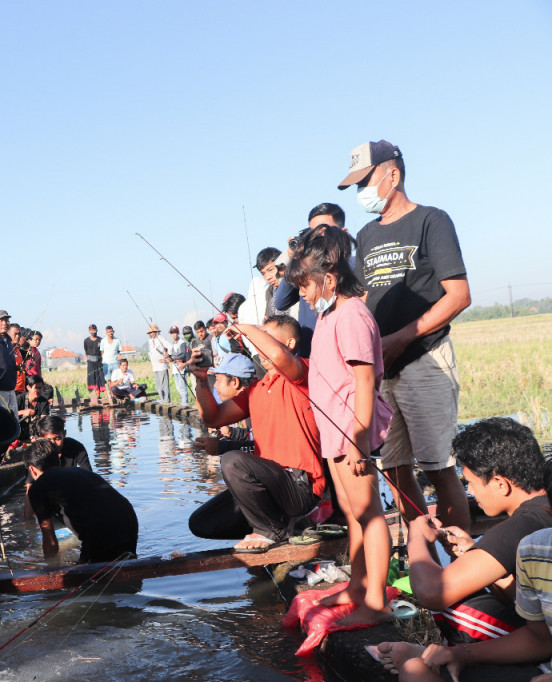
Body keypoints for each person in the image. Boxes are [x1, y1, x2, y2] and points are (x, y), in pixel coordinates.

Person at [340, 139, 472, 533]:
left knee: (440, 469)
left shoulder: (432, 220)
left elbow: (459, 295)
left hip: (424, 359)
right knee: (396, 472)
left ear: (392, 174)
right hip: (381, 370)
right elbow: (362, 299)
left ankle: (463, 567)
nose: (362, 193)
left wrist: (400, 339)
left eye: (366, 182)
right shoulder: (365, 235)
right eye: (356, 186)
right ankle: (424, 564)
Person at [286, 225, 394, 626]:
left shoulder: (351, 315)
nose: (303, 294)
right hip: (336, 435)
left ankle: (377, 602)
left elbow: (365, 381)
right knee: (351, 513)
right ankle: (358, 585)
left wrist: (359, 440)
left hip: (353, 435)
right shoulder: (330, 315)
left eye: (306, 286)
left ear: (329, 279)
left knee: (369, 514)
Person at [373, 419, 552, 654]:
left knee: (454, 607)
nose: (470, 491)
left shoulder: (522, 525)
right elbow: (528, 595)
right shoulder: (542, 509)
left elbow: (432, 594)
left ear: (500, 484)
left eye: (471, 483)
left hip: (544, 643)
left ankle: (461, 661)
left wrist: (416, 538)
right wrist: (476, 553)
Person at [188, 317, 324, 551]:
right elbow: (213, 418)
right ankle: (277, 524)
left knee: (232, 461)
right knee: (202, 522)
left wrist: (246, 329)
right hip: (270, 485)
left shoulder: (304, 372)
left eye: (267, 338)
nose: (259, 347)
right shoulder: (256, 389)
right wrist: (201, 380)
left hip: (300, 485)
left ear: (289, 343)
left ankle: (270, 530)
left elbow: (281, 358)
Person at [25, 439, 138, 563]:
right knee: (126, 563)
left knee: (88, 577)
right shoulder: (80, 471)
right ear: (57, 459)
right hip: (129, 518)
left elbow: (49, 536)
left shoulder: (38, 487)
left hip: (99, 528)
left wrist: (50, 569)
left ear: (32, 469)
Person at [274, 203, 347, 357]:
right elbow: (281, 302)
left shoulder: (355, 266)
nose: (319, 239)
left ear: (343, 233)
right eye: (313, 234)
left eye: (325, 232)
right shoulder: (305, 268)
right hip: (310, 356)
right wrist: (297, 257)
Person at [192, 353, 256, 455]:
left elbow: (262, 448)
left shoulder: (256, 405)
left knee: (230, 461)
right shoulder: (249, 402)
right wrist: (231, 432)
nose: (215, 385)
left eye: (218, 379)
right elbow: (252, 436)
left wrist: (221, 447)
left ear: (235, 381)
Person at [17, 375, 51, 439]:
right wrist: (22, 412)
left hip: (36, 436)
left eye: (40, 388)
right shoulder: (19, 399)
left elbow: (44, 420)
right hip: (19, 435)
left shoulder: (44, 401)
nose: (38, 390)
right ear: (28, 387)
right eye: (36, 388)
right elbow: (10, 414)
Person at [145, 323, 171, 402]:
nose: (152, 334)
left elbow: (169, 346)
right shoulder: (150, 341)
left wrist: (167, 357)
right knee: (158, 386)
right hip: (155, 367)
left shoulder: (160, 338)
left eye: (153, 332)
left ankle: (166, 401)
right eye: (151, 333)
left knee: (164, 385)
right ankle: (162, 400)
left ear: (156, 332)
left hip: (162, 366)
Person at [83, 324, 106, 407]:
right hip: (90, 361)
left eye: (94, 330)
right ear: (89, 331)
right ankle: (93, 395)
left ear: (97, 330)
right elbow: (86, 351)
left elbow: (103, 351)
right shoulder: (86, 341)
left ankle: (99, 393)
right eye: (91, 330)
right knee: (91, 377)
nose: (93, 331)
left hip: (99, 361)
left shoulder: (101, 340)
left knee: (100, 377)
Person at [167, 325, 190, 405]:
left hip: (181, 368)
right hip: (175, 369)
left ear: (178, 333)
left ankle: (185, 405)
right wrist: (169, 358)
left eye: (174, 333)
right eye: (171, 333)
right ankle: (183, 403)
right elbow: (173, 355)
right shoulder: (173, 344)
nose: (173, 335)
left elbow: (183, 354)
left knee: (183, 388)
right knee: (178, 388)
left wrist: (173, 358)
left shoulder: (182, 343)